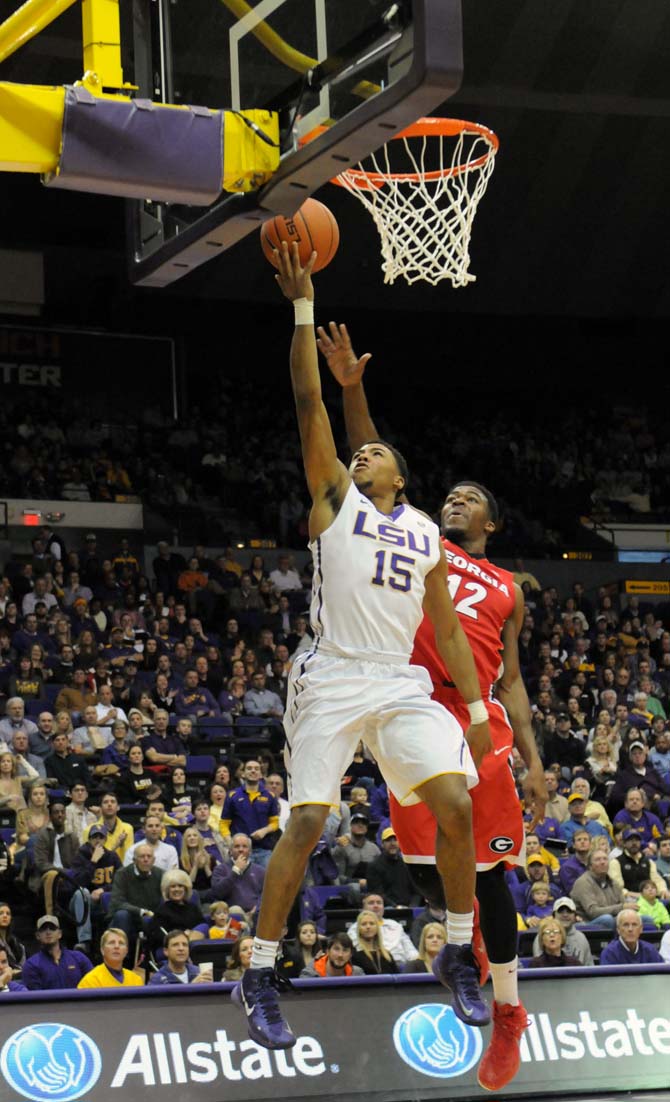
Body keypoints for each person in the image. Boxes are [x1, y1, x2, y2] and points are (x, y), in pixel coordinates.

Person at [233, 245, 494, 1051]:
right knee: (308, 820)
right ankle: (261, 973)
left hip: (402, 683)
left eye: (373, 453)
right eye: (358, 454)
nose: (360, 454)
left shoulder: (420, 531)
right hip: (333, 675)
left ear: (400, 477)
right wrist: (304, 309)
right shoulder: (336, 503)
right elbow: (311, 406)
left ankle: (456, 950)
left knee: (457, 804)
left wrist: (477, 703)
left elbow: (445, 626)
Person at [321, 322, 548, 1090]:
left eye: (470, 499)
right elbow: (372, 465)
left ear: (490, 524)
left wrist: (537, 760)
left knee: (491, 877)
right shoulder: (416, 538)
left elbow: (512, 681)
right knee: (425, 872)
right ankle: (469, 946)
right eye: (450, 493)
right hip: (412, 711)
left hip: (479, 722)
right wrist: (352, 389)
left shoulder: (510, 588)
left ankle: (509, 1011)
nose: (455, 500)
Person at [220, 760, 280, 868]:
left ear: (261, 774)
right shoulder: (232, 795)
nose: (253, 771)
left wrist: (264, 831)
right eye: (249, 768)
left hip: (264, 851)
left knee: (265, 883)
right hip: (240, 851)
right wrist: (230, 842)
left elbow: (275, 823)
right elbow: (223, 824)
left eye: (256, 769)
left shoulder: (270, 796)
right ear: (243, 773)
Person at [107, 843, 163, 956]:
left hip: (150, 918)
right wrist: (141, 911)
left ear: (154, 859)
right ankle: (122, 957)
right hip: (127, 919)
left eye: (149, 856)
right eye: (142, 856)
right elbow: (118, 902)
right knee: (122, 915)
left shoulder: (160, 874)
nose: (146, 859)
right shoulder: (122, 874)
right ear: (134, 860)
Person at [22, 915, 92, 990]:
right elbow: (35, 997)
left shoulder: (78, 958)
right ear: (38, 935)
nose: (48, 932)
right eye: (43, 929)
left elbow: (93, 983)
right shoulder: (31, 964)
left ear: (60, 934)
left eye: (52, 928)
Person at [346, 892, 416, 964]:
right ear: (363, 908)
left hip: (401, 965)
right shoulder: (355, 928)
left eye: (379, 903)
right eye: (371, 903)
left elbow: (410, 950)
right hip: (373, 965)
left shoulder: (396, 925)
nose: (376, 906)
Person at [146, 870, 206, 953]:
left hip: (193, 947)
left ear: (185, 889)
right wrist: (182, 936)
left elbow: (202, 927)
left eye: (180, 886)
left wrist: (192, 934)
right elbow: (158, 937)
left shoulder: (193, 908)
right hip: (171, 950)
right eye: (173, 886)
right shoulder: (161, 911)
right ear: (167, 890)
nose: (177, 889)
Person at [365, 827, 421, 908]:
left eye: (395, 840)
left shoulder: (407, 864)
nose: (392, 843)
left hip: (409, 908)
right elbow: (377, 893)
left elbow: (416, 892)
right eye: (388, 840)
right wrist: (396, 907)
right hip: (387, 908)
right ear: (382, 844)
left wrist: (413, 906)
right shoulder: (374, 866)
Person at [211, 833, 264, 916]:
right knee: (235, 910)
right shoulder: (220, 869)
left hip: (256, 915)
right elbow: (218, 893)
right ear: (230, 850)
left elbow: (265, 894)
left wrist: (257, 908)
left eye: (244, 846)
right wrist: (235, 871)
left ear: (250, 851)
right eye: (237, 846)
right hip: (231, 917)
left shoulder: (260, 871)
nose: (241, 849)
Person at [571, 849, 625, 929]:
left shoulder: (613, 883)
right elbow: (593, 912)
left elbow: (624, 906)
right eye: (597, 860)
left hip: (614, 918)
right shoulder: (583, 883)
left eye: (605, 859)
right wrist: (621, 908)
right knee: (607, 919)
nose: (602, 862)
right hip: (587, 923)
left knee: (644, 919)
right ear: (590, 866)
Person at [531, 897, 593, 965]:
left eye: (569, 911)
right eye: (561, 911)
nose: (565, 915)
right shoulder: (543, 936)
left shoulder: (581, 938)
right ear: (554, 915)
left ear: (575, 916)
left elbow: (589, 966)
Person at [77, 928, 144, 988]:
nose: (117, 946)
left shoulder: (136, 980)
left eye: (121, 943)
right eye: (111, 943)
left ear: (126, 951)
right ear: (102, 950)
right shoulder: (90, 981)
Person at [599, 909, 664, 965]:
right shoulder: (609, 953)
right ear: (618, 930)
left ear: (641, 929)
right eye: (626, 925)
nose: (630, 929)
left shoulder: (650, 950)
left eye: (634, 924)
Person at [149, 929, 213, 985]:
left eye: (184, 945)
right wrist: (192, 986)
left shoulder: (198, 972)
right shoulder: (157, 980)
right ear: (166, 951)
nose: (181, 948)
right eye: (175, 945)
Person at [351, 909, 399, 975]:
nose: (368, 927)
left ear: (377, 928)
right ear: (359, 929)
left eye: (372, 923)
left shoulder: (387, 955)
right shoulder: (354, 956)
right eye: (364, 924)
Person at [300, 931, 364, 978]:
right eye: (336, 949)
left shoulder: (357, 974)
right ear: (328, 951)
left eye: (345, 950)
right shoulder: (309, 975)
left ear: (350, 955)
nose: (340, 955)